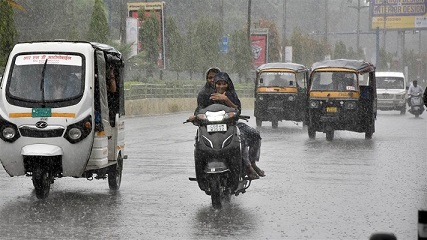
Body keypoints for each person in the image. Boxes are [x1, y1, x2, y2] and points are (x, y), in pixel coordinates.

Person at [189, 70, 265, 179]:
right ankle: (201, 171)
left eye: (223, 83)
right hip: (209, 126)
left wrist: (226, 99)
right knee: (199, 142)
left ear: (227, 84)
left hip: (231, 124)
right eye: (217, 83)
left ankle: (250, 164)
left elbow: (238, 110)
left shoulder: (230, 93)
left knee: (251, 135)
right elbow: (200, 110)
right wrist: (195, 117)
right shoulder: (205, 94)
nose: (220, 86)